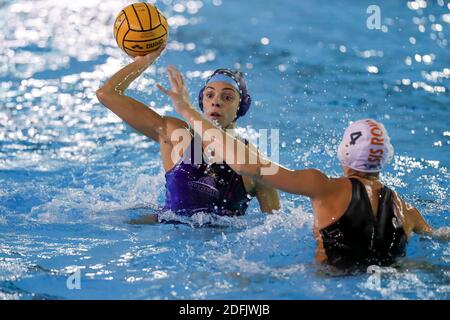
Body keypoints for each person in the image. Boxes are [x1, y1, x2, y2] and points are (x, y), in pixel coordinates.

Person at [158, 65, 445, 269]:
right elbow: (439, 237)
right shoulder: (407, 210)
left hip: (328, 281)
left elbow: (248, 166)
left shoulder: (322, 187)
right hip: (393, 277)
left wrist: (186, 109)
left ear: (344, 153)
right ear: (386, 159)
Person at [96, 47, 280, 224]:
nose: (216, 102)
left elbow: (276, 226)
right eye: (209, 95)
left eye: (227, 97)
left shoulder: (256, 165)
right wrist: (143, 62)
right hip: (164, 232)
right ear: (202, 103)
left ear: (241, 106)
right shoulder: (176, 135)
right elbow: (107, 94)